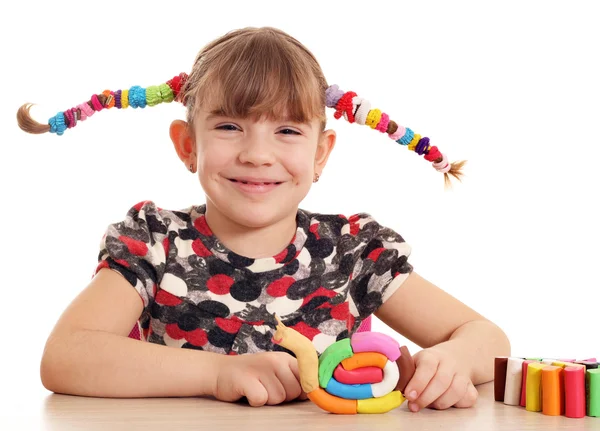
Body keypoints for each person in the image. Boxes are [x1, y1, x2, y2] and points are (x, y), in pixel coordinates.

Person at [17, 26, 510, 412]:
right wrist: (215, 376)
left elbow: (486, 338)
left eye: (288, 130)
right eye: (230, 126)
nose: (257, 154)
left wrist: (452, 361)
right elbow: (66, 357)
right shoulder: (155, 243)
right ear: (188, 146)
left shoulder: (353, 252)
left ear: (321, 155)